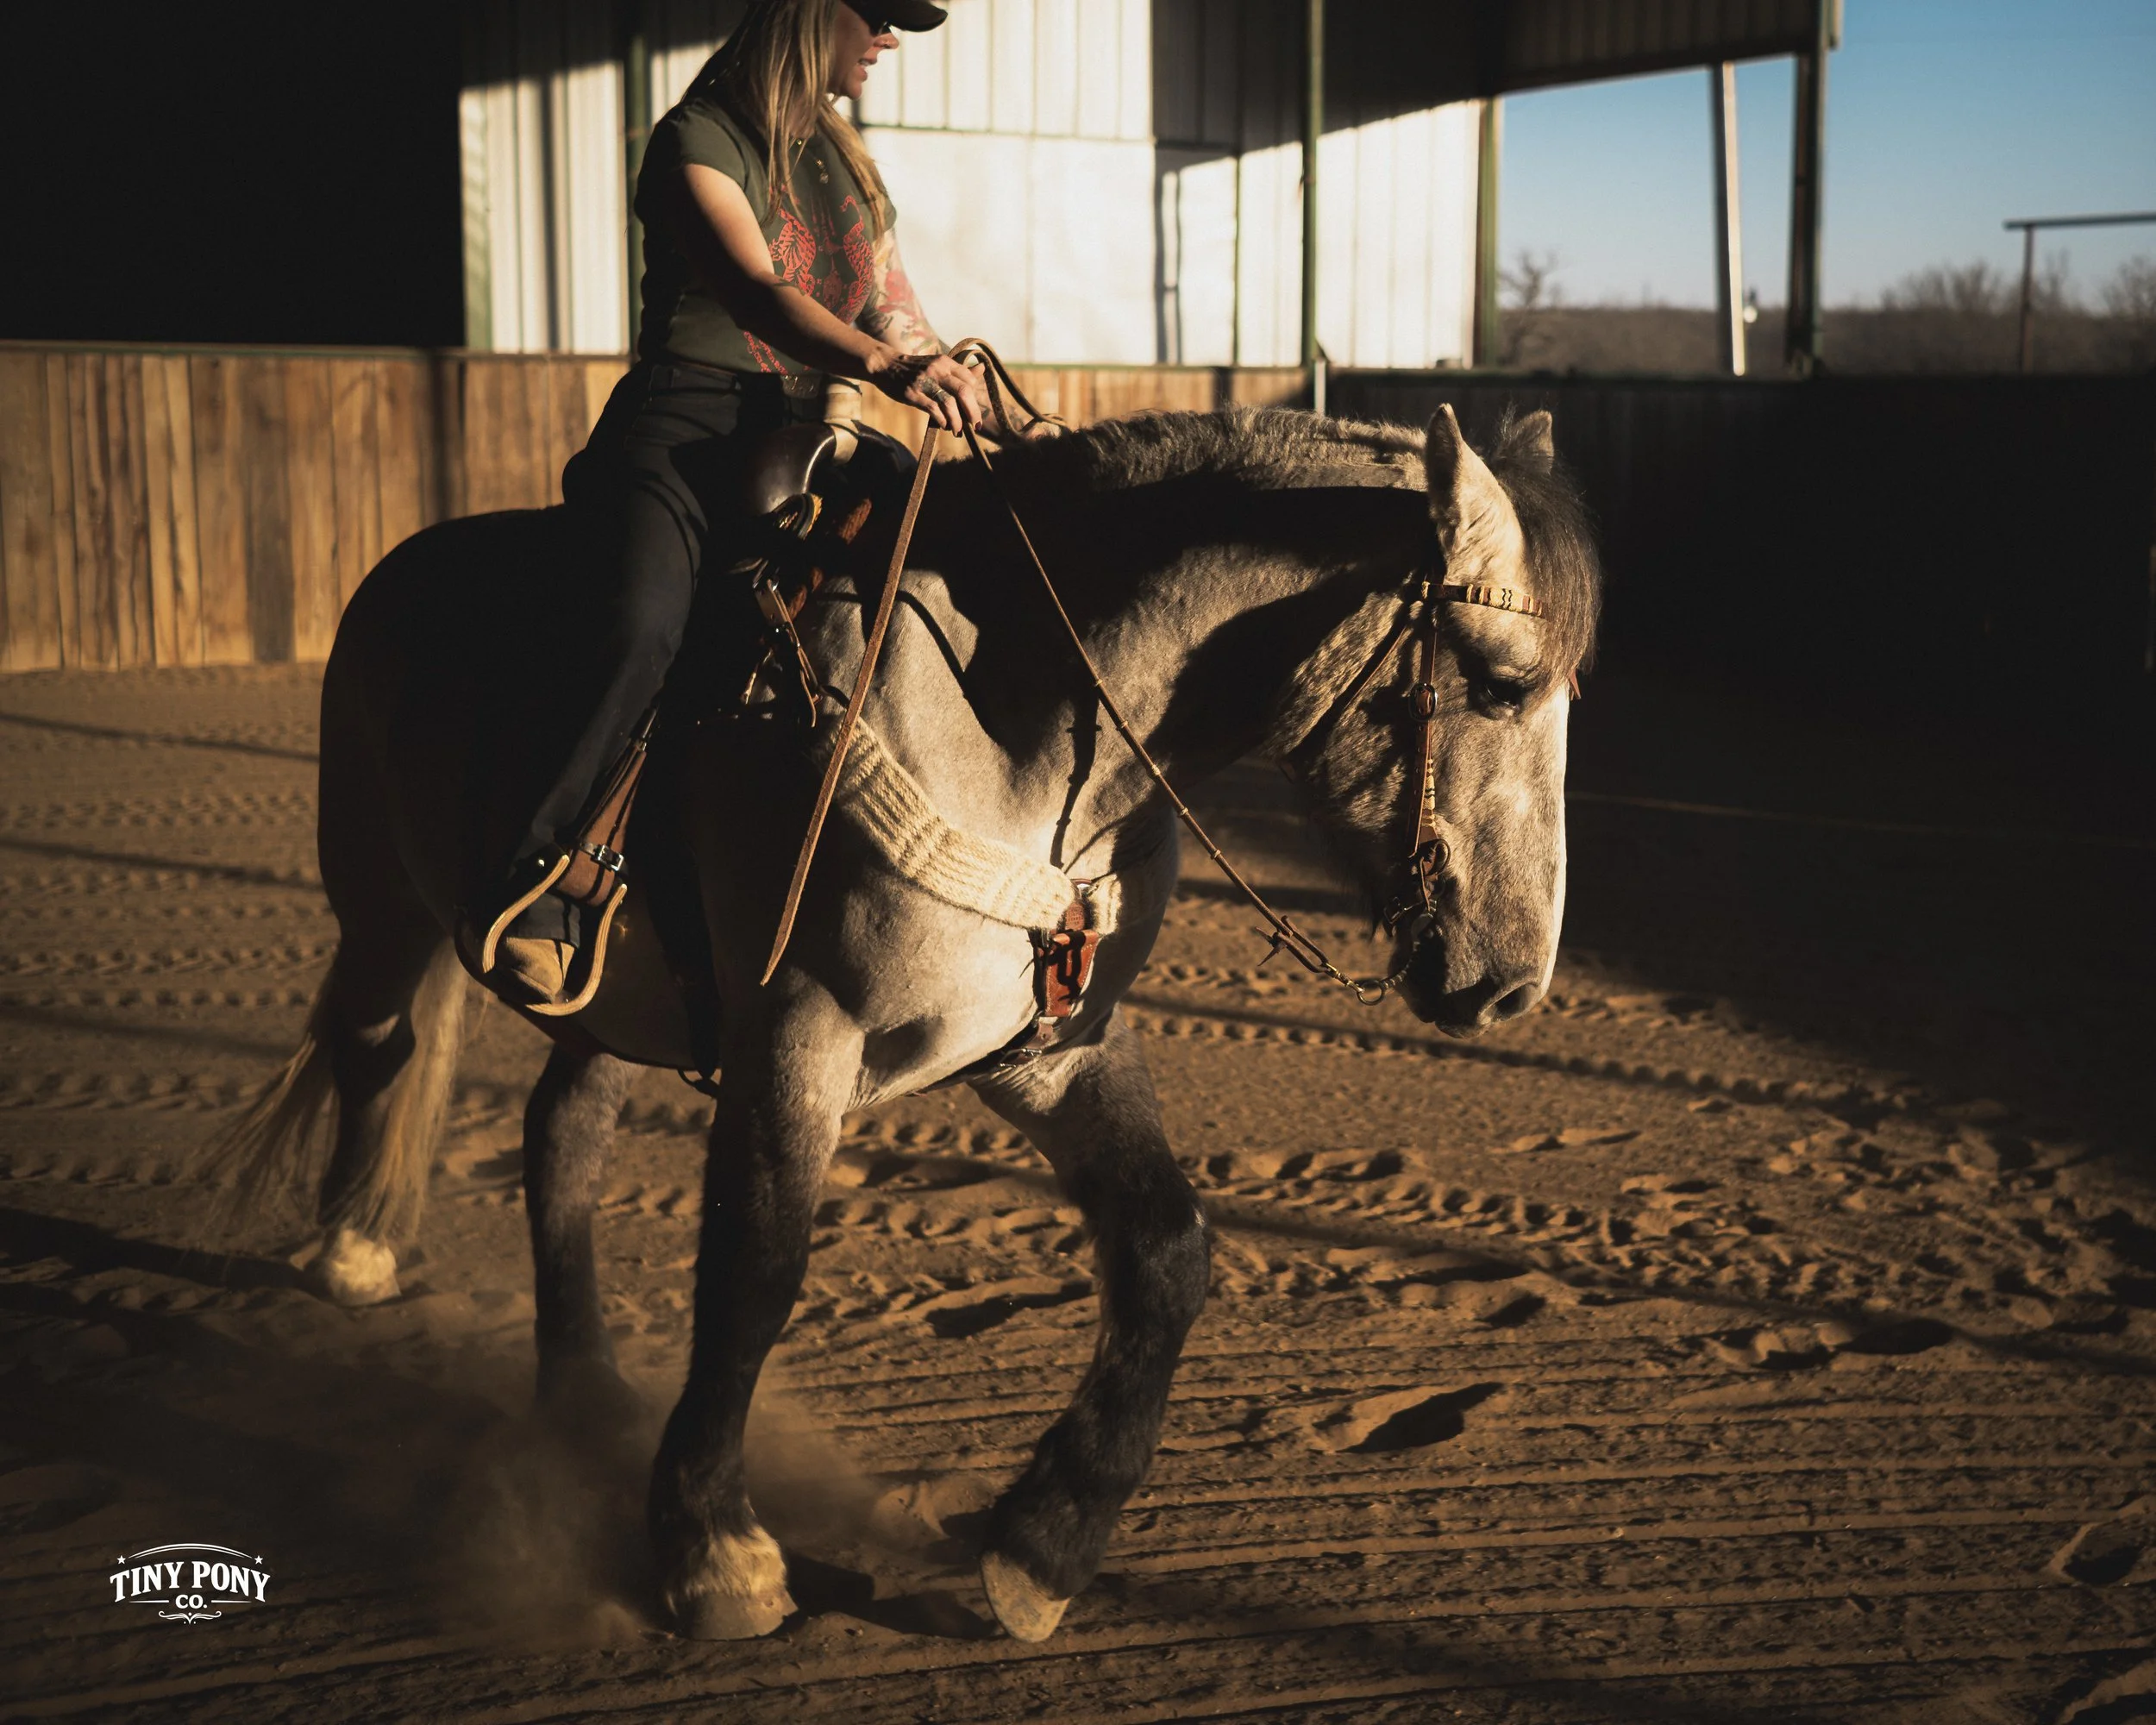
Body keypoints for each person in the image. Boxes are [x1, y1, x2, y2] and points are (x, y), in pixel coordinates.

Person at [482, 0, 988, 1007]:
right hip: (688, 424)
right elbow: (756, 292)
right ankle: (537, 870)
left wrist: (955, 376)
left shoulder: (841, 155)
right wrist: (887, 363)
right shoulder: (695, 137)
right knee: (640, 622)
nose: (889, 37)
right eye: (876, 14)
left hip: (816, 423)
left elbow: (889, 296)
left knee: (955, 573)